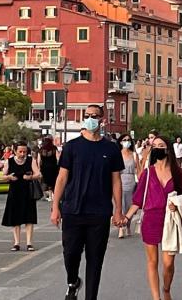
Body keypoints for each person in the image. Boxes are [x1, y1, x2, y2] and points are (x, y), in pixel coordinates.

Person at [50, 104, 126, 300]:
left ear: (102, 120)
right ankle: (73, 281)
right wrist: (55, 208)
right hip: (72, 210)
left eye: (95, 116)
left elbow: (116, 180)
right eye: (87, 115)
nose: (90, 118)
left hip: (99, 212)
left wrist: (118, 210)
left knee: (95, 260)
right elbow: (61, 178)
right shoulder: (72, 147)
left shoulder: (110, 148)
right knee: (71, 254)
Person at [125, 136, 182, 300]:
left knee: (168, 264)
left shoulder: (176, 172)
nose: (157, 149)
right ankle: (156, 298)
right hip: (151, 220)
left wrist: (177, 204)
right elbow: (138, 200)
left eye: (161, 145)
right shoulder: (148, 173)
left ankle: (166, 289)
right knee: (152, 262)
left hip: (170, 221)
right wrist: (125, 218)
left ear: (168, 149)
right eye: (154, 146)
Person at [1, 141, 41, 251]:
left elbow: (38, 174)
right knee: (15, 218)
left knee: (29, 218)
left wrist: (30, 177)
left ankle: (29, 242)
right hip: (14, 192)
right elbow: (3, 175)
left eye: (25, 151)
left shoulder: (30, 160)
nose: (23, 154)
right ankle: (17, 242)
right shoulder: (9, 161)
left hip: (28, 192)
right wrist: (9, 177)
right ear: (15, 151)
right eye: (20, 151)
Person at [118, 134, 137, 239]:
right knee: (121, 205)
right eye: (124, 140)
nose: (126, 142)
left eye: (128, 140)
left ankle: (128, 225)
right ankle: (121, 227)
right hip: (120, 180)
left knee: (130, 205)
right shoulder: (117, 154)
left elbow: (138, 169)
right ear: (120, 142)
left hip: (131, 181)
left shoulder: (134, 155)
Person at [38, 136, 59, 202]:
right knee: (53, 182)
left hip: (44, 167)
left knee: (45, 181)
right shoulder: (54, 148)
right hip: (53, 167)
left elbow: (39, 160)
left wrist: (39, 168)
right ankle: (53, 195)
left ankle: (47, 196)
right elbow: (58, 158)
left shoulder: (41, 149)